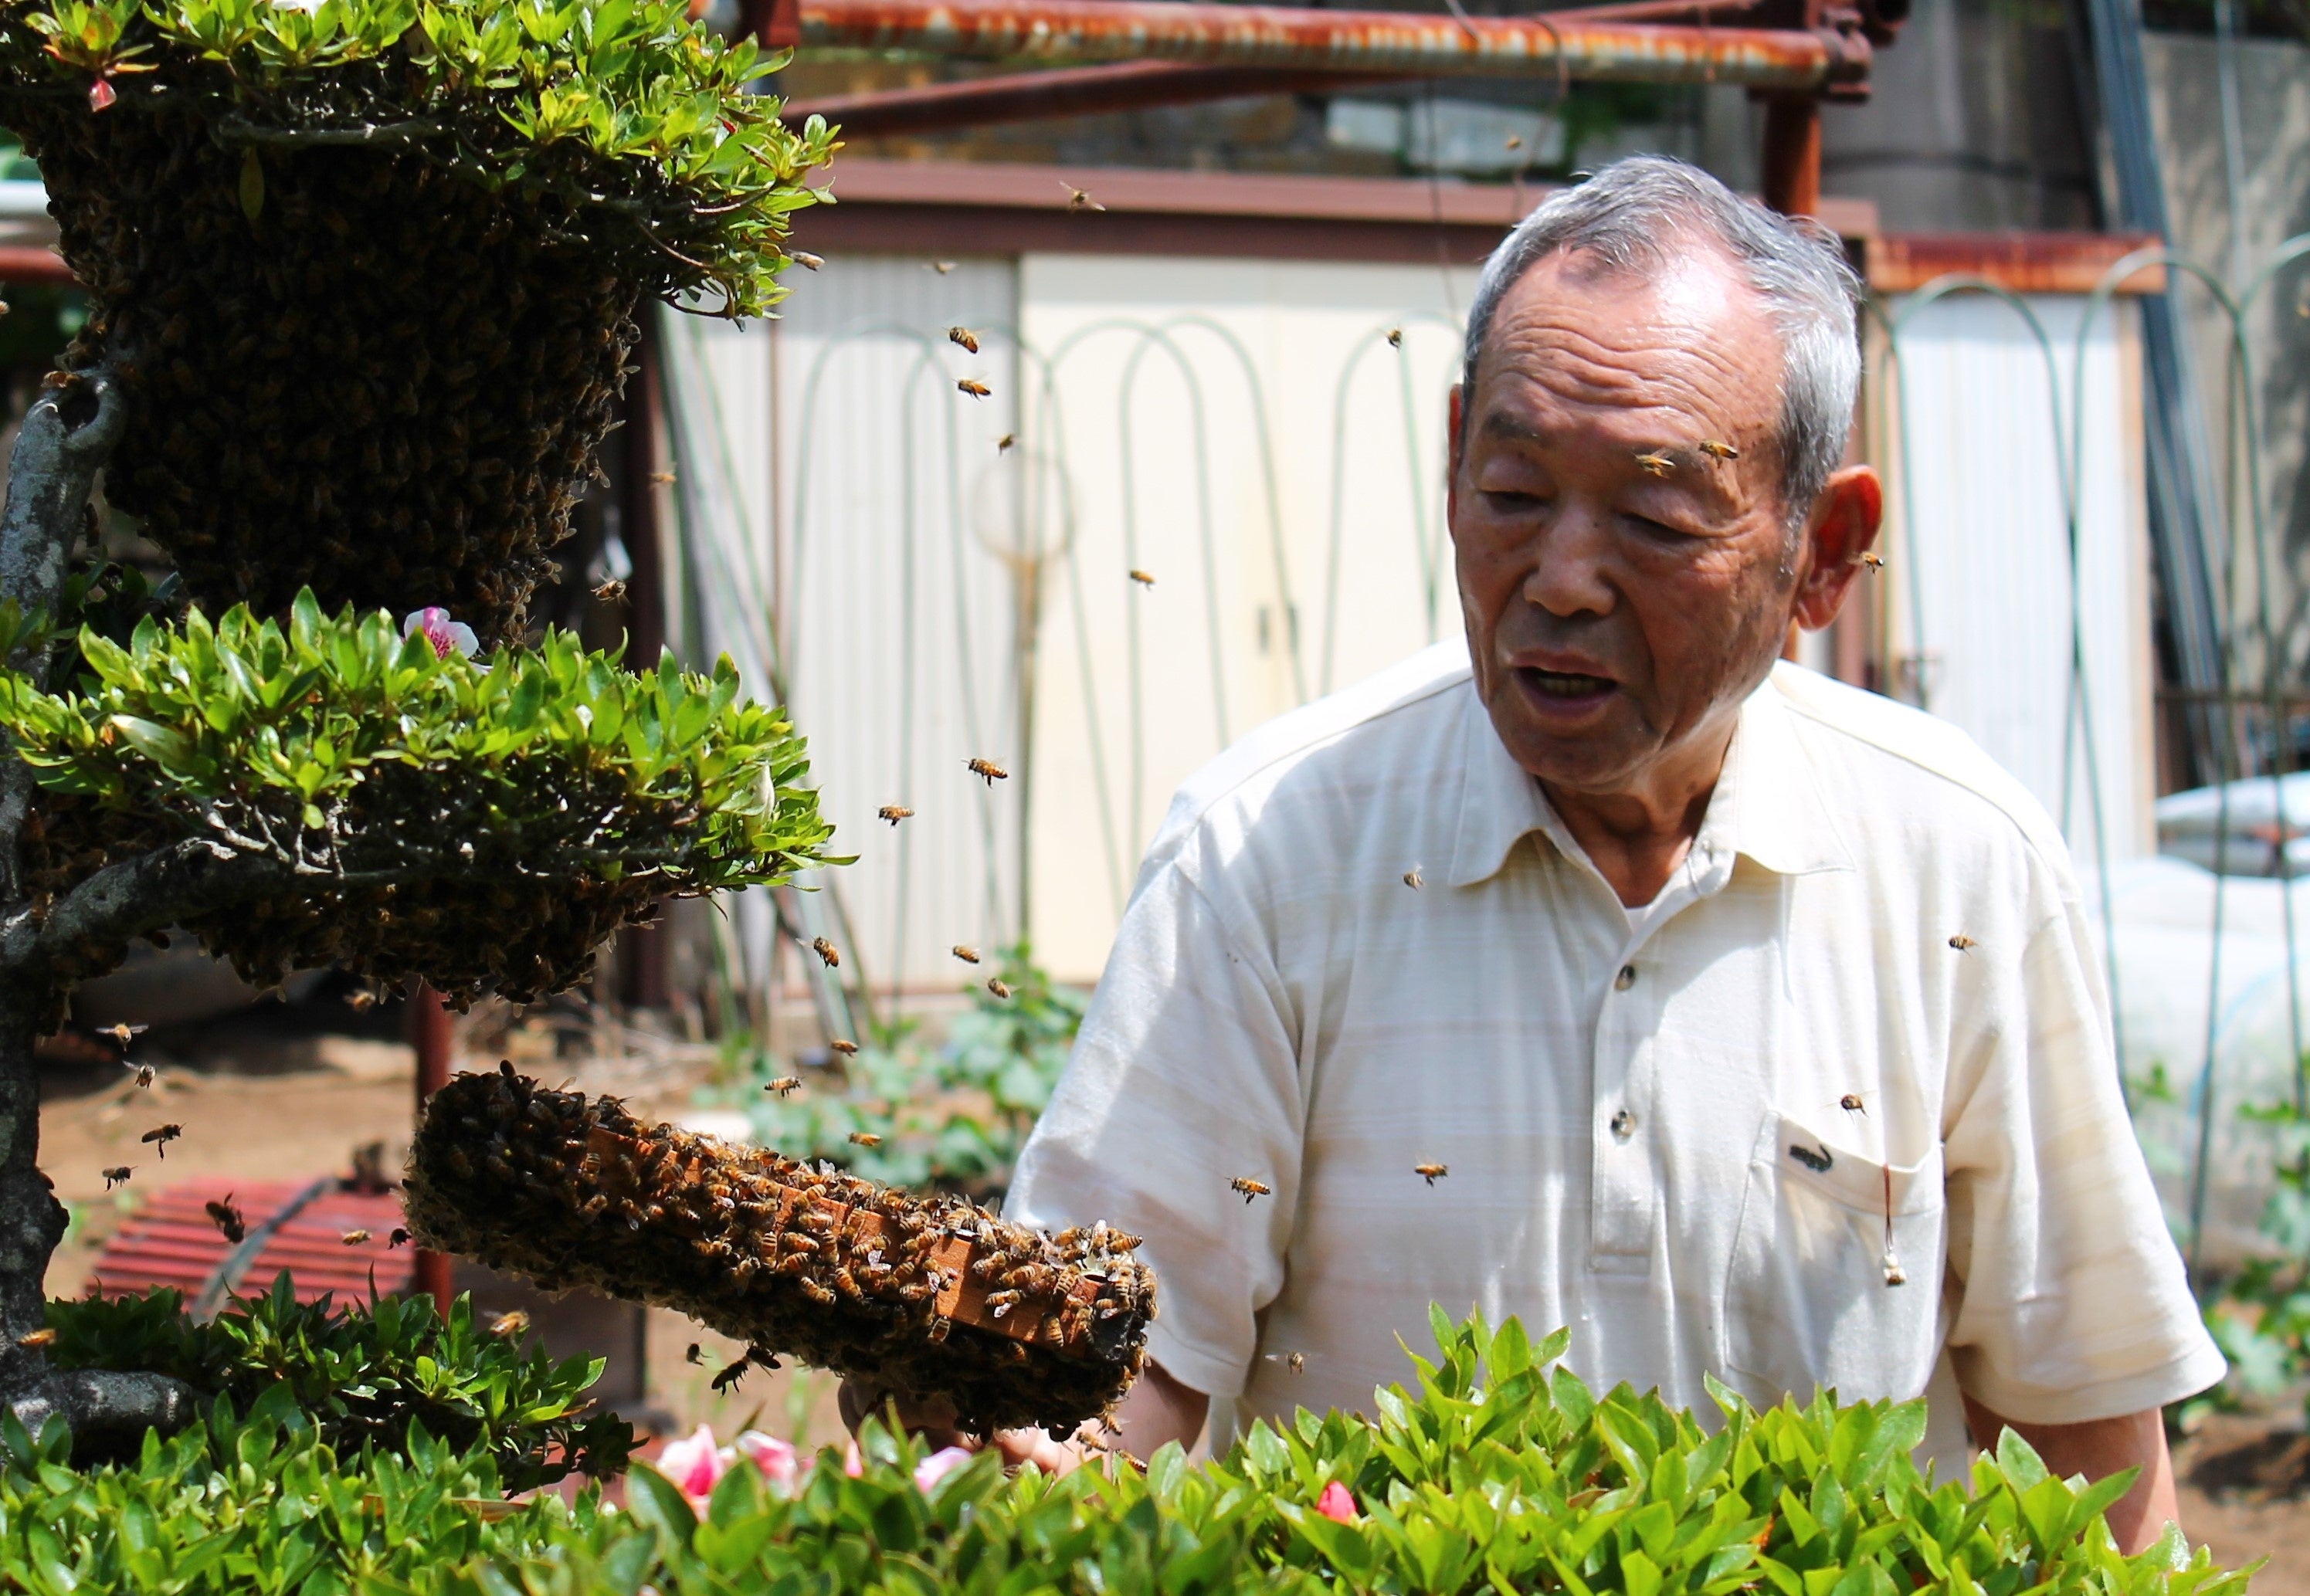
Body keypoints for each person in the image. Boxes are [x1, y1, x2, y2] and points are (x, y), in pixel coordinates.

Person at [842, 154, 2222, 1550]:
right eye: (1513, 493)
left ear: (1824, 550)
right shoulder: (1267, 852)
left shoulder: (1959, 865)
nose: (1561, 578)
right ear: (1452, 463)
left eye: (1657, 516)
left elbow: (2086, 1429)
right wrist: (997, 1424)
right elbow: (1113, 1382)